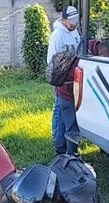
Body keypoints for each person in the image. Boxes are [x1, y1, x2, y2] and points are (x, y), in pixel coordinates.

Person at [46, 6, 81, 155]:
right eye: (71, 22)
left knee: (63, 113)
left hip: (72, 81)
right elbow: (52, 61)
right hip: (61, 80)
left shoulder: (75, 32)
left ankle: (61, 146)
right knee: (60, 112)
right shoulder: (57, 35)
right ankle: (59, 143)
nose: (73, 25)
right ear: (64, 19)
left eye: (75, 22)